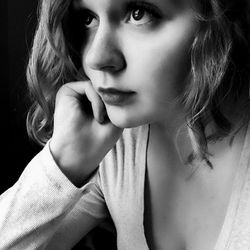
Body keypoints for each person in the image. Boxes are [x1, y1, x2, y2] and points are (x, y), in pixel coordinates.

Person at [1, 0, 250, 249]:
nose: (96, 57)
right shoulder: (114, 146)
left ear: (220, 20)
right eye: (87, 18)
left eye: (138, 14)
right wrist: (63, 163)